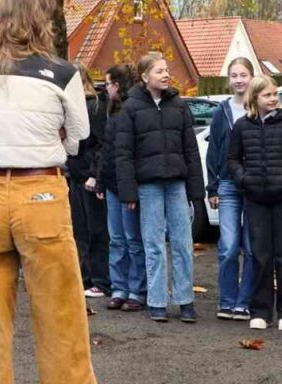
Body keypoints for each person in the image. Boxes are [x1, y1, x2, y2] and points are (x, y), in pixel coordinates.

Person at [0, 0, 94, 384]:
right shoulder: (61, 73)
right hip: (40, 191)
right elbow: (78, 136)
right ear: (43, 20)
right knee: (59, 311)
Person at [117, 53, 205, 323]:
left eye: (167, 70)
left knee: (182, 243)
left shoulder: (178, 105)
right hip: (149, 186)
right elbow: (124, 153)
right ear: (145, 77)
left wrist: (196, 192)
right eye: (159, 71)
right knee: (153, 245)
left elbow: (191, 150)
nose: (166, 75)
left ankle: (185, 300)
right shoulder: (131, 108)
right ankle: (156, 301)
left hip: (177, 183)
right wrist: (129, 192)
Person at [227, 76, 282, 331]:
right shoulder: (242, 126)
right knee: (260, 255)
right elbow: (233, 159)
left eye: (275, 94)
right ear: (254, 98)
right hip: (256, 198)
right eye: (267, 95)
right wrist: (245, 180)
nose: (273, 99)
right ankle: (260, 310)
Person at [206, 57, 258, 321]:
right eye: (234, 75)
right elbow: (213, 150)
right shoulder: (221, 111)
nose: (239, 80)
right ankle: (227, 300)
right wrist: (212, 188)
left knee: (251, 246)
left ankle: (244, 301)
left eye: (243, 75)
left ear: (252, 76)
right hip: (227, 184)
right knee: (228, 245)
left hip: (254, 185)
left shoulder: (258, 109)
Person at [95, 64, 146, 312]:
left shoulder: (130, 111)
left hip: (126, 185)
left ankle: (136, 289)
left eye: (107, 84)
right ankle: (119, 287)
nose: (106, 90)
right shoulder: (113, 112)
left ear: (116, 85)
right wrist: (101, 180)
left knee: (132, 239)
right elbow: (107, 150)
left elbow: (127, 153)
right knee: (117, 239)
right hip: (113, 184)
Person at [67, 62, 111, 298]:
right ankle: (85, 277)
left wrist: (93, 174)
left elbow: (99, 144)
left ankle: (100, 279)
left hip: (87, 176)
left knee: (95, 230)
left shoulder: (94, 106)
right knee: (80, 229)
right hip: (77, 175)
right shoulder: (78, 106)